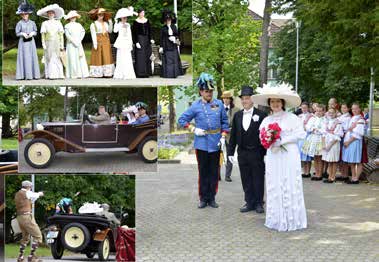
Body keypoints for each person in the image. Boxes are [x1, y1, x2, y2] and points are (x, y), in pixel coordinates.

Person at [254, 83, 307, 232]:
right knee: (275, 183)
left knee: (289, 181)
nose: (275, 104)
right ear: (269, 104)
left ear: (282, 103)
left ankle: (292, 218)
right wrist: (269, 141)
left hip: (289, 154)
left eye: (277, 101)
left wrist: (283, 140)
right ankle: (276, 218)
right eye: (272, 102)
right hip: (273, 155)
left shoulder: (292, 118)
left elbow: (301, 134)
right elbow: (261, 137)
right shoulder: (266, 120)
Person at [178, 73, 229, 208]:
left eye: (211, 91)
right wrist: (193, 129)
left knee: (214, 172)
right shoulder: (195, 106)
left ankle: (212, 198)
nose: (209, 93)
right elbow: (182, 120)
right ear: (201, 91)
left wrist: (223, 136)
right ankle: (203, 198)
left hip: (216, 143)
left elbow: (225, 122)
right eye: (207, 91)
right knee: (203, 172)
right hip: (201, 144)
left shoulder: (219, 104)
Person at [227, 86, 267, 213]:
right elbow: (233, 135)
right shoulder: (238, 115)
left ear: (252, 100)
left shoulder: (261, 115)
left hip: (256, 152)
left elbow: (266, 134)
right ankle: (249, 202)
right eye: (243, 99)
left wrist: (265, 153)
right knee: (246, 178)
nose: (245, 101)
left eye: (247, 98)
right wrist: (230, 153)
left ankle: (259, 203)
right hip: (242, 152)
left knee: (258, 177)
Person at [15, 180, 44, 262]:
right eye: (30, 187)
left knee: (25, 238)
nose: (31, 188)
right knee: (38, 236)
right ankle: (31, 257)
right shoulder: (27, 193)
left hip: (20, 217)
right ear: (28, 187)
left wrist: (35, 196)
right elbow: (36, 195)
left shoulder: (18, 194)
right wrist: (40, 193)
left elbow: (31, 200)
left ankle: (20, 257)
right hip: (27, 216)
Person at [37, 4, 65, 79]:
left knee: (57, 57)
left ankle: (59, 74)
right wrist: (43, 43)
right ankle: (49, 74)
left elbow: (61, 35)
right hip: (48, 42)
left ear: (54, 14)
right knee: (49, 58)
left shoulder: (58, 23)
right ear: (47, 14)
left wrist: (62, 45)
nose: (51, 14)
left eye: (52, 13)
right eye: (49, 13)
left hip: (56, 42)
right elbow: (43, 34)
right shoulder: (45, 23)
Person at [15, 0, 40, 80]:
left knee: (31, 57)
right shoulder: (19, 23)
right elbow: (17, 33)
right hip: (22, 43)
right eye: (23, 14)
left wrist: (33, 33)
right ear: (21, 15)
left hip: (31, 43)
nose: (25, 15)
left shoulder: (32, 23)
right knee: (24, 58)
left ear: (28, 14)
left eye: (26, 14)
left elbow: (36, 32)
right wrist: (22, 34)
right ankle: (22, 76)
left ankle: (33, 75)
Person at [342, 103, 365, 184]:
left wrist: (348, 141)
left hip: (355, 142)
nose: (354, 110)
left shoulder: (360, 119)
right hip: (350, 141)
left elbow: (358, 133)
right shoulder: (353, 118)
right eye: (352, 109)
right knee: (351, 161)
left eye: (356, 108)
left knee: (357, 161)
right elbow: (349, 130)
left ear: (359, 109)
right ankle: (353, 177)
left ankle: (356, 178)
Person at [302, 104, 327, 180]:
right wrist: (312, 129)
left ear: (323, 111)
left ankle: (320, 174)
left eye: (320, 111)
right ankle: (317, 173)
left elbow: (325, 130)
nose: (318, 112)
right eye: (317, 111)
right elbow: (307, 127)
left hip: (320, 139)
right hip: (313, 138)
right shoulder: (313, 119)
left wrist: (318, 130)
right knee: (315, 157)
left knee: (320, 157)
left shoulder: (325, 120)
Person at [88, 8, 114, 77]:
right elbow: (93, 34)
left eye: (102, 14)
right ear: (97, 15)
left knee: (106, 56)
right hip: (98, 41)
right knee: (98, 56)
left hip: (106, 41)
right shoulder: (93, 24)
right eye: (99, 14)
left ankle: (107, 73)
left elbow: (110, 31)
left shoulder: (105, 23)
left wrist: (111, 23)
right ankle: (98, 73)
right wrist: (95, 44)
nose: (101, 16)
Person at [221, 90, 240, 182]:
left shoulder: (236, 110)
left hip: (231, 136)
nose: (226, 100)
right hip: (219, 135)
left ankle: (228, 175)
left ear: (231, 99)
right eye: (224, 98)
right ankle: (217, 175)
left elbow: (238, 124)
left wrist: (231, 129)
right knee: (217, 156)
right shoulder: (217, 109)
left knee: (230, 155)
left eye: (228, 98)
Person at [64, 10, 89, 79]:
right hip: (71, 44)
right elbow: (67, 35)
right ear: (69, 18)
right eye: (72, 17)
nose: (73, 18)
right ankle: (73, 74)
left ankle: (81, 73)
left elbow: (82, 32)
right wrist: (74, 41)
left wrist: (79, 40)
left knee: (79, 57)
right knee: (72, 58)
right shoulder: (67, 26)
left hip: (78, 43)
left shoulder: (79, 25)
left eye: (74, 17)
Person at [321, 108, 344, 183]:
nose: (331, 114)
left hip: (334, 143)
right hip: (327, 143)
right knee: (329, 161)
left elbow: (338, 136)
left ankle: (332, 177)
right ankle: (329, 176)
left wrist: (330, 145)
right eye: (329, 112)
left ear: (335, 113)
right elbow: (323, 133)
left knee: (333, 161)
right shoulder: (326, 122)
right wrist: (324, 144)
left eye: (332, 113)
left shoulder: (338, 123)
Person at [114, 7, 136, 80]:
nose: (125, 19)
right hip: (121, 43)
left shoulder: (128, 25)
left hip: (127, 43)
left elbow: (129, 34)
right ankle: (120, 74)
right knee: (121, 58)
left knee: (127, 58)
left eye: (126, 18)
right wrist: (115, 22)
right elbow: (115, 31)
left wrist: (131, 43)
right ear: (121, 18)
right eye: (123, 18)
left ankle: (128, 74)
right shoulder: (119, 24)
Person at [159, 9, 183, 78]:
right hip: (166, 46)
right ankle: (168, 74)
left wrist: (174, 38)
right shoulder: (163, 28)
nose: (168, 21)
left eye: (169, 19)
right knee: (168, 60)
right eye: (167, 19)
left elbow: (177, 35)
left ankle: (174, 74)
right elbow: (161, 38)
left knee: (174, 60)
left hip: (173, 46)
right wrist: (161, 46)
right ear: (165, 20)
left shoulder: (174, 27)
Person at [132, 8, 154, 78]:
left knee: (147, 55)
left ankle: (147, 72)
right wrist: (136, 42)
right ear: (138, 13)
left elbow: (150, 31)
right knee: (140, 56)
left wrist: (151, 39)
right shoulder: (136, 21)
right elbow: (134, 33)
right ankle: (140, 73)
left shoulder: (147, 21)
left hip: (146, 40)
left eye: (143, 13)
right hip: (139, 40)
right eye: (141, 13)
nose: (142, 14)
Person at [298, 102, 313, 178]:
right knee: (302, 155)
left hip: (307, 136)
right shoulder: (299, 116)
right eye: (302, 108)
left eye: (305, 108)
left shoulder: (311, 116)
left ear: (308, 108)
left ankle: (308, 172)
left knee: (307, 155)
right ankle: (304, 171)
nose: (304, 109)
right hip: (300, 137)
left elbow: (310, 127)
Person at [337, 103, 352, 181]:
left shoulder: (349, 117)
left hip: (344, 136)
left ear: (348, 109)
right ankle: (342, 174)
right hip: (339, 135)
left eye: (345, 108)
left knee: (344, 156)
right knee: (340, 157)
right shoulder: (341, 116)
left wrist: (340, 126)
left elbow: (347, 128)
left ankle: (345, 175)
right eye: (342, 108)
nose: (343, 109)